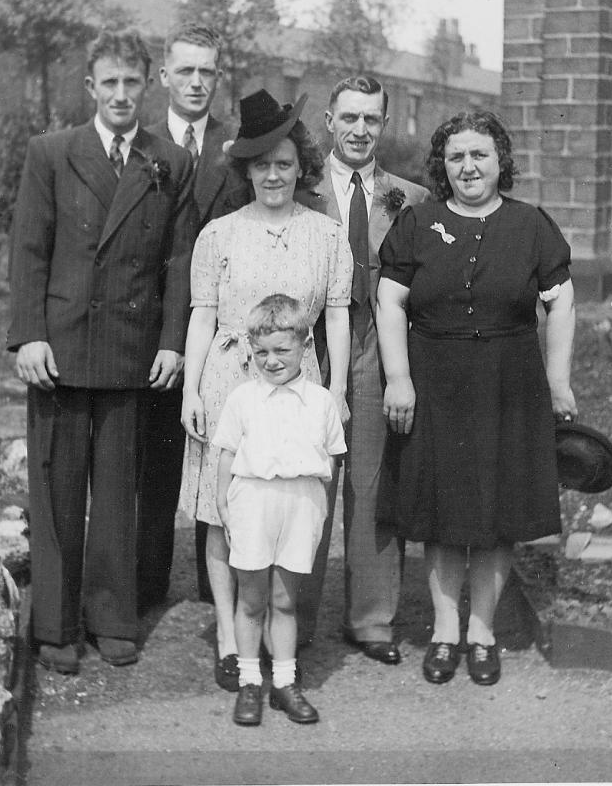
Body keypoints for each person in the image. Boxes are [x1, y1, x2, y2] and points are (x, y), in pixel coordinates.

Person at [7, 29, 195, 675]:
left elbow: (178, 260)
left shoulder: (169, 160)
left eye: (131, 82)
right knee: (57, 493)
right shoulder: (52, 153)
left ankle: (111, 618)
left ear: (148, 86)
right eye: (108, 83)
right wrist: (28, 333)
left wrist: (171, 342)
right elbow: (29, 249)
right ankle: (55, 625)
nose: (120, 94)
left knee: (118, 495)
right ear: (90, 88)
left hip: (129, 354)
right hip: (59, 351)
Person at [376, 110, 577, 687]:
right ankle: (444, 632)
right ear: (442, 165)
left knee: (497, 514)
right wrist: (398, 378)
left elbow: (561, 301)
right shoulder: (416, 222)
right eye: (457, 156)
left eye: (480, 155)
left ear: (500, 161)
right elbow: (391, 303)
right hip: (433, 378)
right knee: (441, 514)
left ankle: (482, 632)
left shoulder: (532, 225)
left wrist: (558, 380)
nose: (468, 166)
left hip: (508, 383)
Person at [180, 88, 352, 693]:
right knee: (226, 515)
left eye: (283, 163)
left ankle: (278, 633)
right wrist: (192, 393)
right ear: (245, 170)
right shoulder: (218, 235)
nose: (273, 175)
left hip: (298, 387)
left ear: (300, 165)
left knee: (281, 506)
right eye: (261, 165)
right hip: (229, 382)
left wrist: (334, 389)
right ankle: (231, 640)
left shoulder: (327, 235)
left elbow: (334, 316)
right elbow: (201, 315)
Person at [297, 75, 429, 663]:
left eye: (371, 119)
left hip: (376, 344)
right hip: (308, 346)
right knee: (303, 477)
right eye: (348, 118)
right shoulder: (298, 189)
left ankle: (371, 617)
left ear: (384, 123)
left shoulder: (410, 198)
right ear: (329, 121)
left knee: (372, 480)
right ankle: (291, 616)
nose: (359, 130)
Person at [137, 23, 248, 610]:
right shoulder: (141, 143)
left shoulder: (239, 147)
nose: (198, 82)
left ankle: (218, 587)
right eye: (186, 71)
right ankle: (148, 582)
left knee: (221, 452)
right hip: (156, 326)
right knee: (154, 455)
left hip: (224, 331)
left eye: (208, 71)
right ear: (164, 77)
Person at [214, 294, 346, 726]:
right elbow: (227, 456)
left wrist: (316, 509)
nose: (271, 361)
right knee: (251, 600)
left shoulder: (321, 401)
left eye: (282, 351)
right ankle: (251, 682)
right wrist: (223, 501)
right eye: (261, 353)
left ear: (306, 346)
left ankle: (285, 683)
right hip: (253, 502)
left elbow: (329, 461)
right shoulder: (242, 399)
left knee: (285, 600)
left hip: (300, 504)